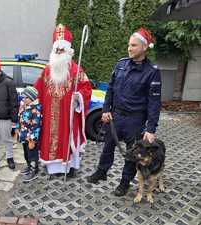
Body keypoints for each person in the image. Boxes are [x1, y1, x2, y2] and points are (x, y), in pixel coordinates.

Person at [86, 27, 162, 197]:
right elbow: (111, 89)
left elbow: (154, 103)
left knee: (131, 154)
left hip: (135, 121)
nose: (129, 48)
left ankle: (124, 183)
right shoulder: (121, 65)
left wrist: (151, 129)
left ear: (144, 48)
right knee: (107, 147)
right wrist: (106, 110)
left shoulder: (152, 72)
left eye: (134, 45)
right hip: (115, 117)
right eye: (129, 45)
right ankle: (101, 172)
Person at [34, 24, 92, 177]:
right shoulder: (47, 70)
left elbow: (86, 89)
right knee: (50, 140)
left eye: (62, 49)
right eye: (57, 49)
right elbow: (37, 89)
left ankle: (70, 167)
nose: (59, 52)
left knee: (69, 139)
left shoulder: (76, 70)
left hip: (68, 116)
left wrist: (78, 97)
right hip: (49, 115)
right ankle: (53, 168)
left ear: (68, 50)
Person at [18, 86, 42, 182]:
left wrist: (32, 139)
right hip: (24, 136)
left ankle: (34, 171)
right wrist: (18, 130)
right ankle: (28, 166)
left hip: (31, 138)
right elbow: (20, 119)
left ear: (32, 98)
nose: (24, 99)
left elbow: (36, 126)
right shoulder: (25, 107)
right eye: (23, 97)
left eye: (26, 98)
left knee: (32, 155)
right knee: (26, 154)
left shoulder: (35, 110)